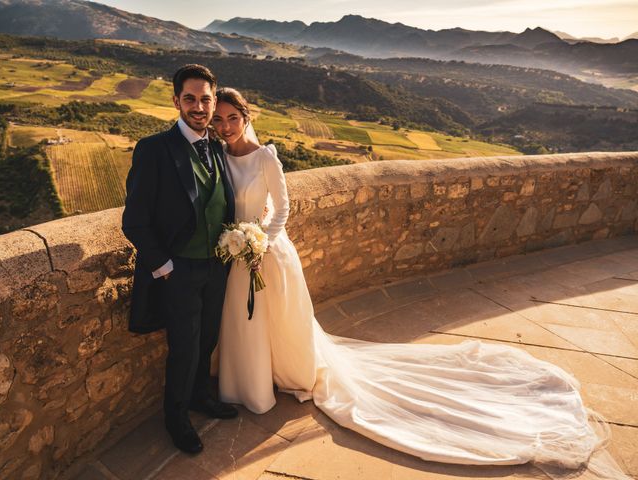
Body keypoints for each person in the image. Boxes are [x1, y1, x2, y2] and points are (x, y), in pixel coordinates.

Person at [212, 87, 629, 479]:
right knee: (245, 320)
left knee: (279, 321)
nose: (226, 125)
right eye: (220, 119)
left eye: (233, 117)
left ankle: (287, 373)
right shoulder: (217, 155)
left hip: (267, 253)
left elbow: (284, 209)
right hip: (236, 254)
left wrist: (259, 242)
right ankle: (248, 381)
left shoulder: (267, 157)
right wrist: (239, 245)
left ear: (246, 117)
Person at [122, 64, 238, 455]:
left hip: (216, 266)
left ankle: (199, 396)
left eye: (205, 99)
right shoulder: (154, 149)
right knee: (184, 347)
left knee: (207, 338)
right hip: (179, 270)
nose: (199, 107)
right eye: (190, 98)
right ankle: (175, 417)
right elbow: (134, 221)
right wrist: (165, 267)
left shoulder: (218, 147)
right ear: (176, 101)